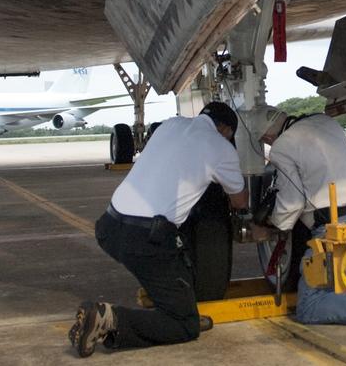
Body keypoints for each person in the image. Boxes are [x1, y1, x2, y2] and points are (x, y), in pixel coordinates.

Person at [69, 101, 248, 357]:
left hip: (109, 227)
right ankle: (109, 319)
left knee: (176, 288)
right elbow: (239, 201)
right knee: (183, 324)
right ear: (225, 129)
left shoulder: (171, 125)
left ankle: (177, 310)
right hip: (145, 240)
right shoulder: (220, 147)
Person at [245, 105, 346, 326]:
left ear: (267, 136)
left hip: (332, 229)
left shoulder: (281, 147)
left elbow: (292, 204)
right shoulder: (327, 122)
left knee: (309, 306)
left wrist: (269, 227)